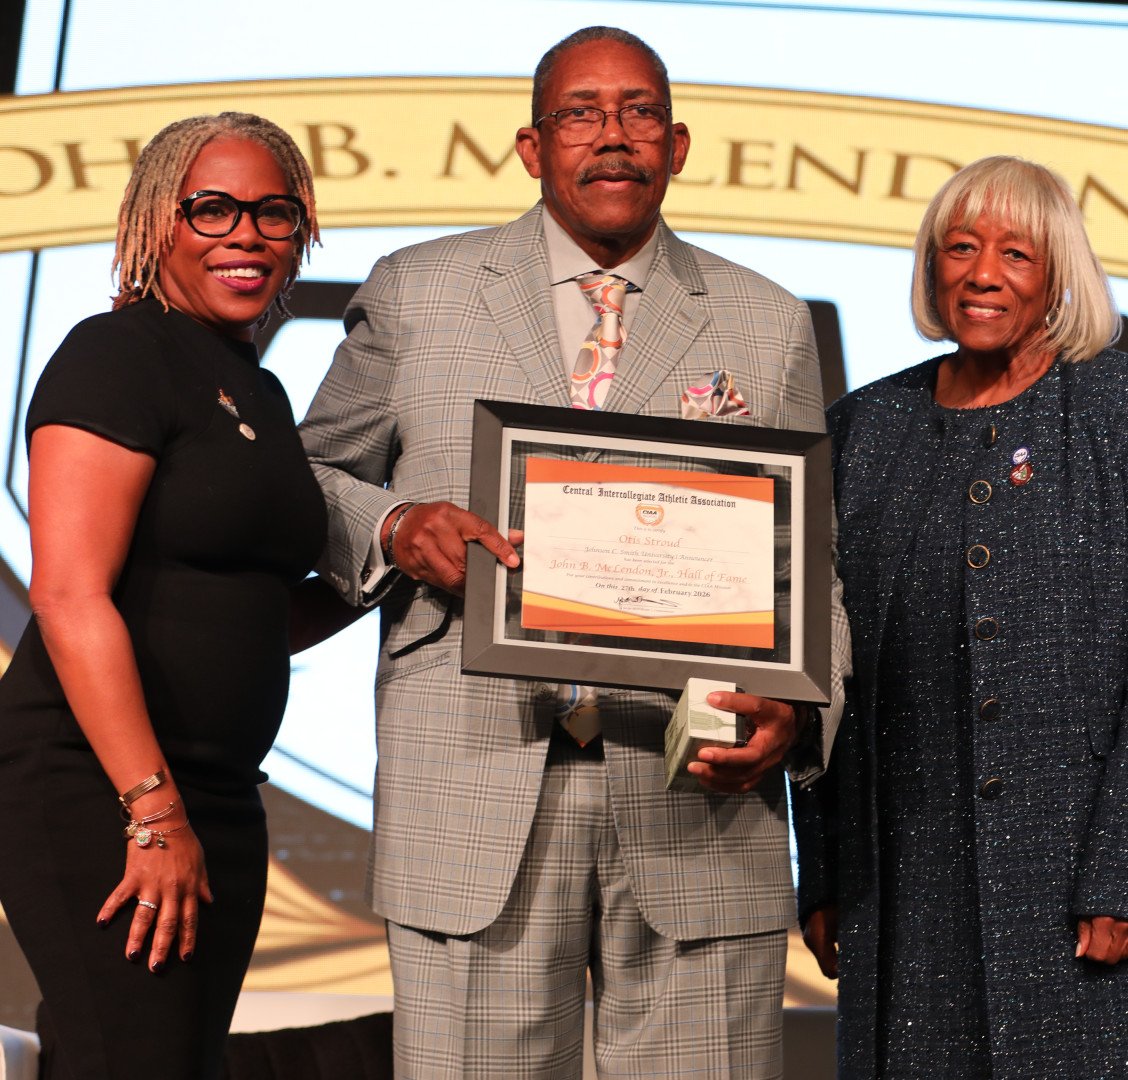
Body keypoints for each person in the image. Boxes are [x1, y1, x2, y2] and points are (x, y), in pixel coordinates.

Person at [298, 26, 848, 1080]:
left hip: (697, 791)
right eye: (582, 114)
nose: (612, 138)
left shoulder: (765, 321)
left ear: (678, 145)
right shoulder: (420, 290)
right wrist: (392, 527)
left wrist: (801, 704)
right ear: (531, 144)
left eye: (639, 112)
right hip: (473, 783)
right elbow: (307, 475)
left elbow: (809, 561)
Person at [792, 156, 1128, 1078]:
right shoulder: (862, 427)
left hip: (1084, 890)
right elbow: (822, 658)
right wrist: (822, 873)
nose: (983, 273)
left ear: (1058, 275)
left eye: (1017, 253)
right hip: (902, 887)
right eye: (961, 248)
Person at [0, 113, 337, 1078]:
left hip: (218, 795)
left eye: (274, 211)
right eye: (212, 209)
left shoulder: (256, 392)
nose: (246, 234)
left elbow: (253, 617)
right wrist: (153, 811)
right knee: (125, 1059)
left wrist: (404, 578)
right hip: (94, 784)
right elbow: (68, 594)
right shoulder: (116, 353)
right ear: (154, 223)